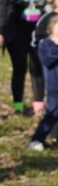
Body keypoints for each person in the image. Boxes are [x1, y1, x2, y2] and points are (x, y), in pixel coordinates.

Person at [0, 0, 54, 116]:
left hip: (38, 31)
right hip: (18, 30)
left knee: (37, 67)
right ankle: (17, 105)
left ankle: (38, 105)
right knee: (19, 68)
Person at [29, 14, 58, 151]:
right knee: (51, 115)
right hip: (54, 88)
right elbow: (47, 60)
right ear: (51, 28)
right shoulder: (45, 44)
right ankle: (36, 139)